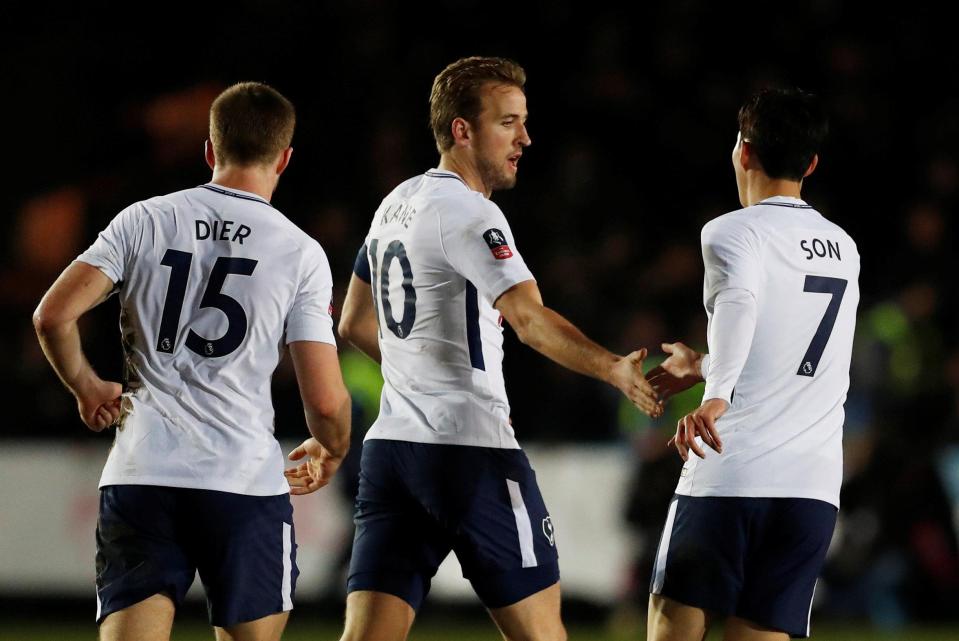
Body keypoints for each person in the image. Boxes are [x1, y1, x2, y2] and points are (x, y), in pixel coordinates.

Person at [330, 56, 660, 641]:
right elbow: (529, 320)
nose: (525, 139)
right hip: (468, 451)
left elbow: (354, 323)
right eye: (508, 123)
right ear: (462, 130)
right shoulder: (470, 211)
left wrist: (413, 370)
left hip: (392, 455)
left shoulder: (394, 203)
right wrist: (613, 367)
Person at [32, 82, 351, 641]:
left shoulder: (145, 220)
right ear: (284, 158)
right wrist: (332, 447)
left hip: (143, 474)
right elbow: (324, 399)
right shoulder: (299, 251)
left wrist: (85, 385)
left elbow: (51, 316)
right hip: (244, 483)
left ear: (209, 148)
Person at [644, 87, 860, 640]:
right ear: (811, 163)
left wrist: (715, 394)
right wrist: (708, 366)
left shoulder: (730, 231)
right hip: (810, 489)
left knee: (672, 627)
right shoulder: (844, 246)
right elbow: (796, 356)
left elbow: (736, 304)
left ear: (743, 151)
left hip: (731, 472)